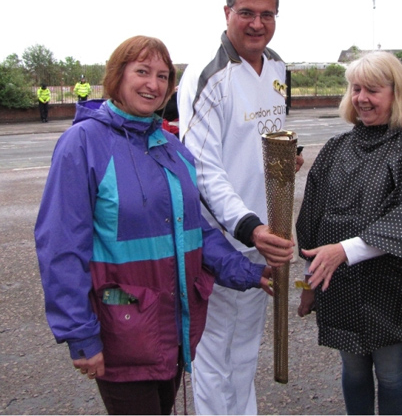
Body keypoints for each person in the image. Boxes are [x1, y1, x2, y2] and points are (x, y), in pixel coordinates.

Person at [35, 35, 275, 415]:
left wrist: (248, 271)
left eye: (163, 76)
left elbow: (197, 231)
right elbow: (60, 247)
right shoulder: (82, 144)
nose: (153, 84)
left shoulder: (172, 148)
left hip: (172, 329)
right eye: (142, 71)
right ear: (117, 76)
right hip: (122, 328)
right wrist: (80, 334)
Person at [296, 51, 402, 415]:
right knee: (353, 369)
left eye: (373, 90)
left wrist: (344, 251)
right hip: (342, 284)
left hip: (391, 288)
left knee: (391, 373)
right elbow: (313, 221)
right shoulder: (337, 148)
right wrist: (309, 284)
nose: (361, 98)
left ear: (396, 94)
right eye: (356, 89)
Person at [178, 0, 302, 415]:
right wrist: (249, 228)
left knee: (245, 349)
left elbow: (269, 137)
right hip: (222, 241)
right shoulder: (208, 75)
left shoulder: (278, 66)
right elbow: (202, 168)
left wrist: (290, 160)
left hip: (265, 236)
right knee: (213, 355)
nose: (256, 23)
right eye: (246, 12)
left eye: (266, 14)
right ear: (227, 12)